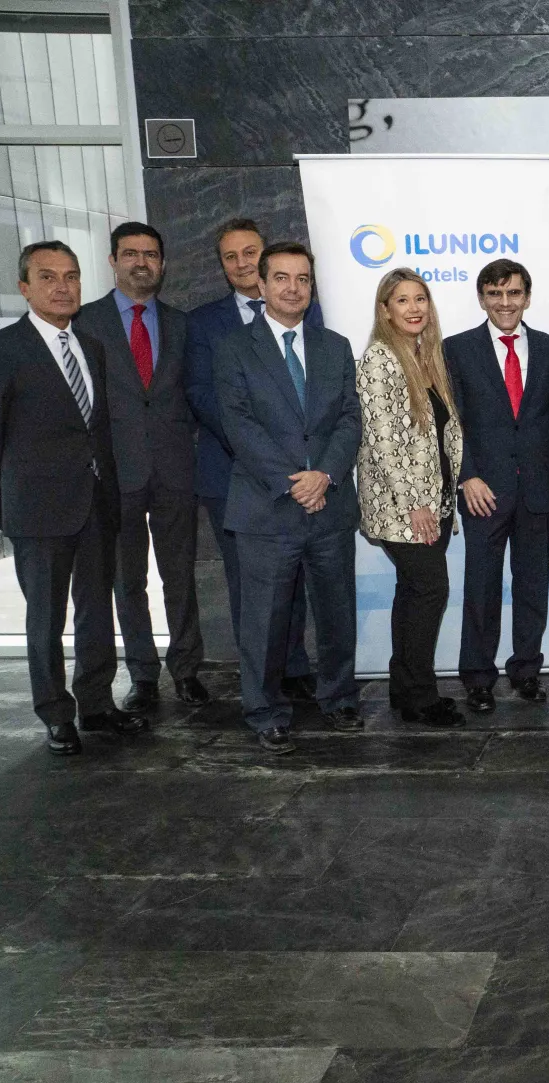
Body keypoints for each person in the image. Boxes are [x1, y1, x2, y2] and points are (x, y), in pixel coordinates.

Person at [0, 241, 147, 754]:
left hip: (95, 502)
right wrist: (18, 490)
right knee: (45, 617)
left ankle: (96, 704)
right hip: (37, 509)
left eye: (71, 276)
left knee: (96, 610)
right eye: (47, 277)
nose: (63, 287)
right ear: (24, 287)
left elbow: (96, 429)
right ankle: (54, 713)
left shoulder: (91, 346)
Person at [212, 242, 362, 752]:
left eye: (302, 279)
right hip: (267, 506)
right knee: (265, 620)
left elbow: (350, 418)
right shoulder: (234, 348)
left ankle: (339, 698)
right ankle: (265, 711)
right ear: (261, 285)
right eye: (281, 278)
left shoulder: (335, 346)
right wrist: (295, 481)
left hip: (330, 504)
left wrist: (325, 475)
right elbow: (238, 424)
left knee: (337, 611)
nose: (293, 288)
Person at [186, 217, 324, 702]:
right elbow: (204, 396)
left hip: (303, 475)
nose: (241, 262)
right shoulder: (203, 323)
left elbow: (317, 391)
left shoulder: (308, 311)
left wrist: (297, 462)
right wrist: (263, 451)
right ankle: (261, 685)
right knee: (250, 586)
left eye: (250, 252)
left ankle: (294, 665)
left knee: (295, 575)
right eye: (231, 256)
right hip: (231, 476)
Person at [74, 221, 208, 713]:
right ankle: (143, 674)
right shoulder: (85, 322)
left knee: (180, 576)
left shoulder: (181, 324)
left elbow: (194, 394)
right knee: (127, 581)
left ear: (163, 264)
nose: (141, 262)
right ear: (113, 261)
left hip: (175, 469)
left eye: (150, 254)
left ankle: (187, 670)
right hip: (115, 473)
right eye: (130, 253)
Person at [446, 259, 549, 713]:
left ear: (527, 298)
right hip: (483, 491)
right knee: (481, 587)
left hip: (538, 487)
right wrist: (466, 475)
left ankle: (527, 670)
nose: (505, 302)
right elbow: (451, 421)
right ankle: (478, 678)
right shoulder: (457, 349)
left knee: (533, 585)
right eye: (495, 294)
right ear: (481, 299)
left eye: (514, 293)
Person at [356, 268, 466, 728]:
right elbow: (383, 440)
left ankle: (405, 689)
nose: (414, 307)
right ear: (385, 310)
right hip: (405, 508)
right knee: (429, 590)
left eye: (420, 298)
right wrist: (414, 504)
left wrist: (440, 500)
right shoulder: (380, 359)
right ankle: (421, 697)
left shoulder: (426, 356)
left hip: (433, 502)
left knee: (413, 593)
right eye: (402, 300)